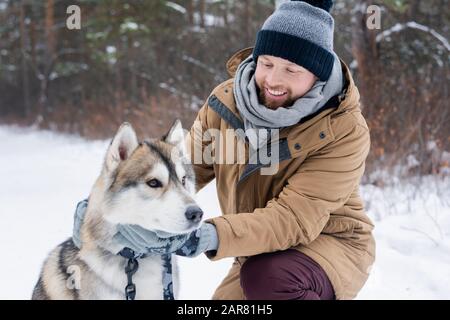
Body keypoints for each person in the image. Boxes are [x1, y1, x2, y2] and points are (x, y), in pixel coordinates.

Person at [74, 0, 375, 300]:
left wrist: (204, 236)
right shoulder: (226, 103)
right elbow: (181, 170)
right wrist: (99, 209)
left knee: (269, 281)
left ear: (317, 75)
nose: (273, 80)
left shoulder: (343, 129)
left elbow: (293, 219)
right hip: (258, 251)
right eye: (266, 63)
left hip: (331, 245)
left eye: (292, 70)